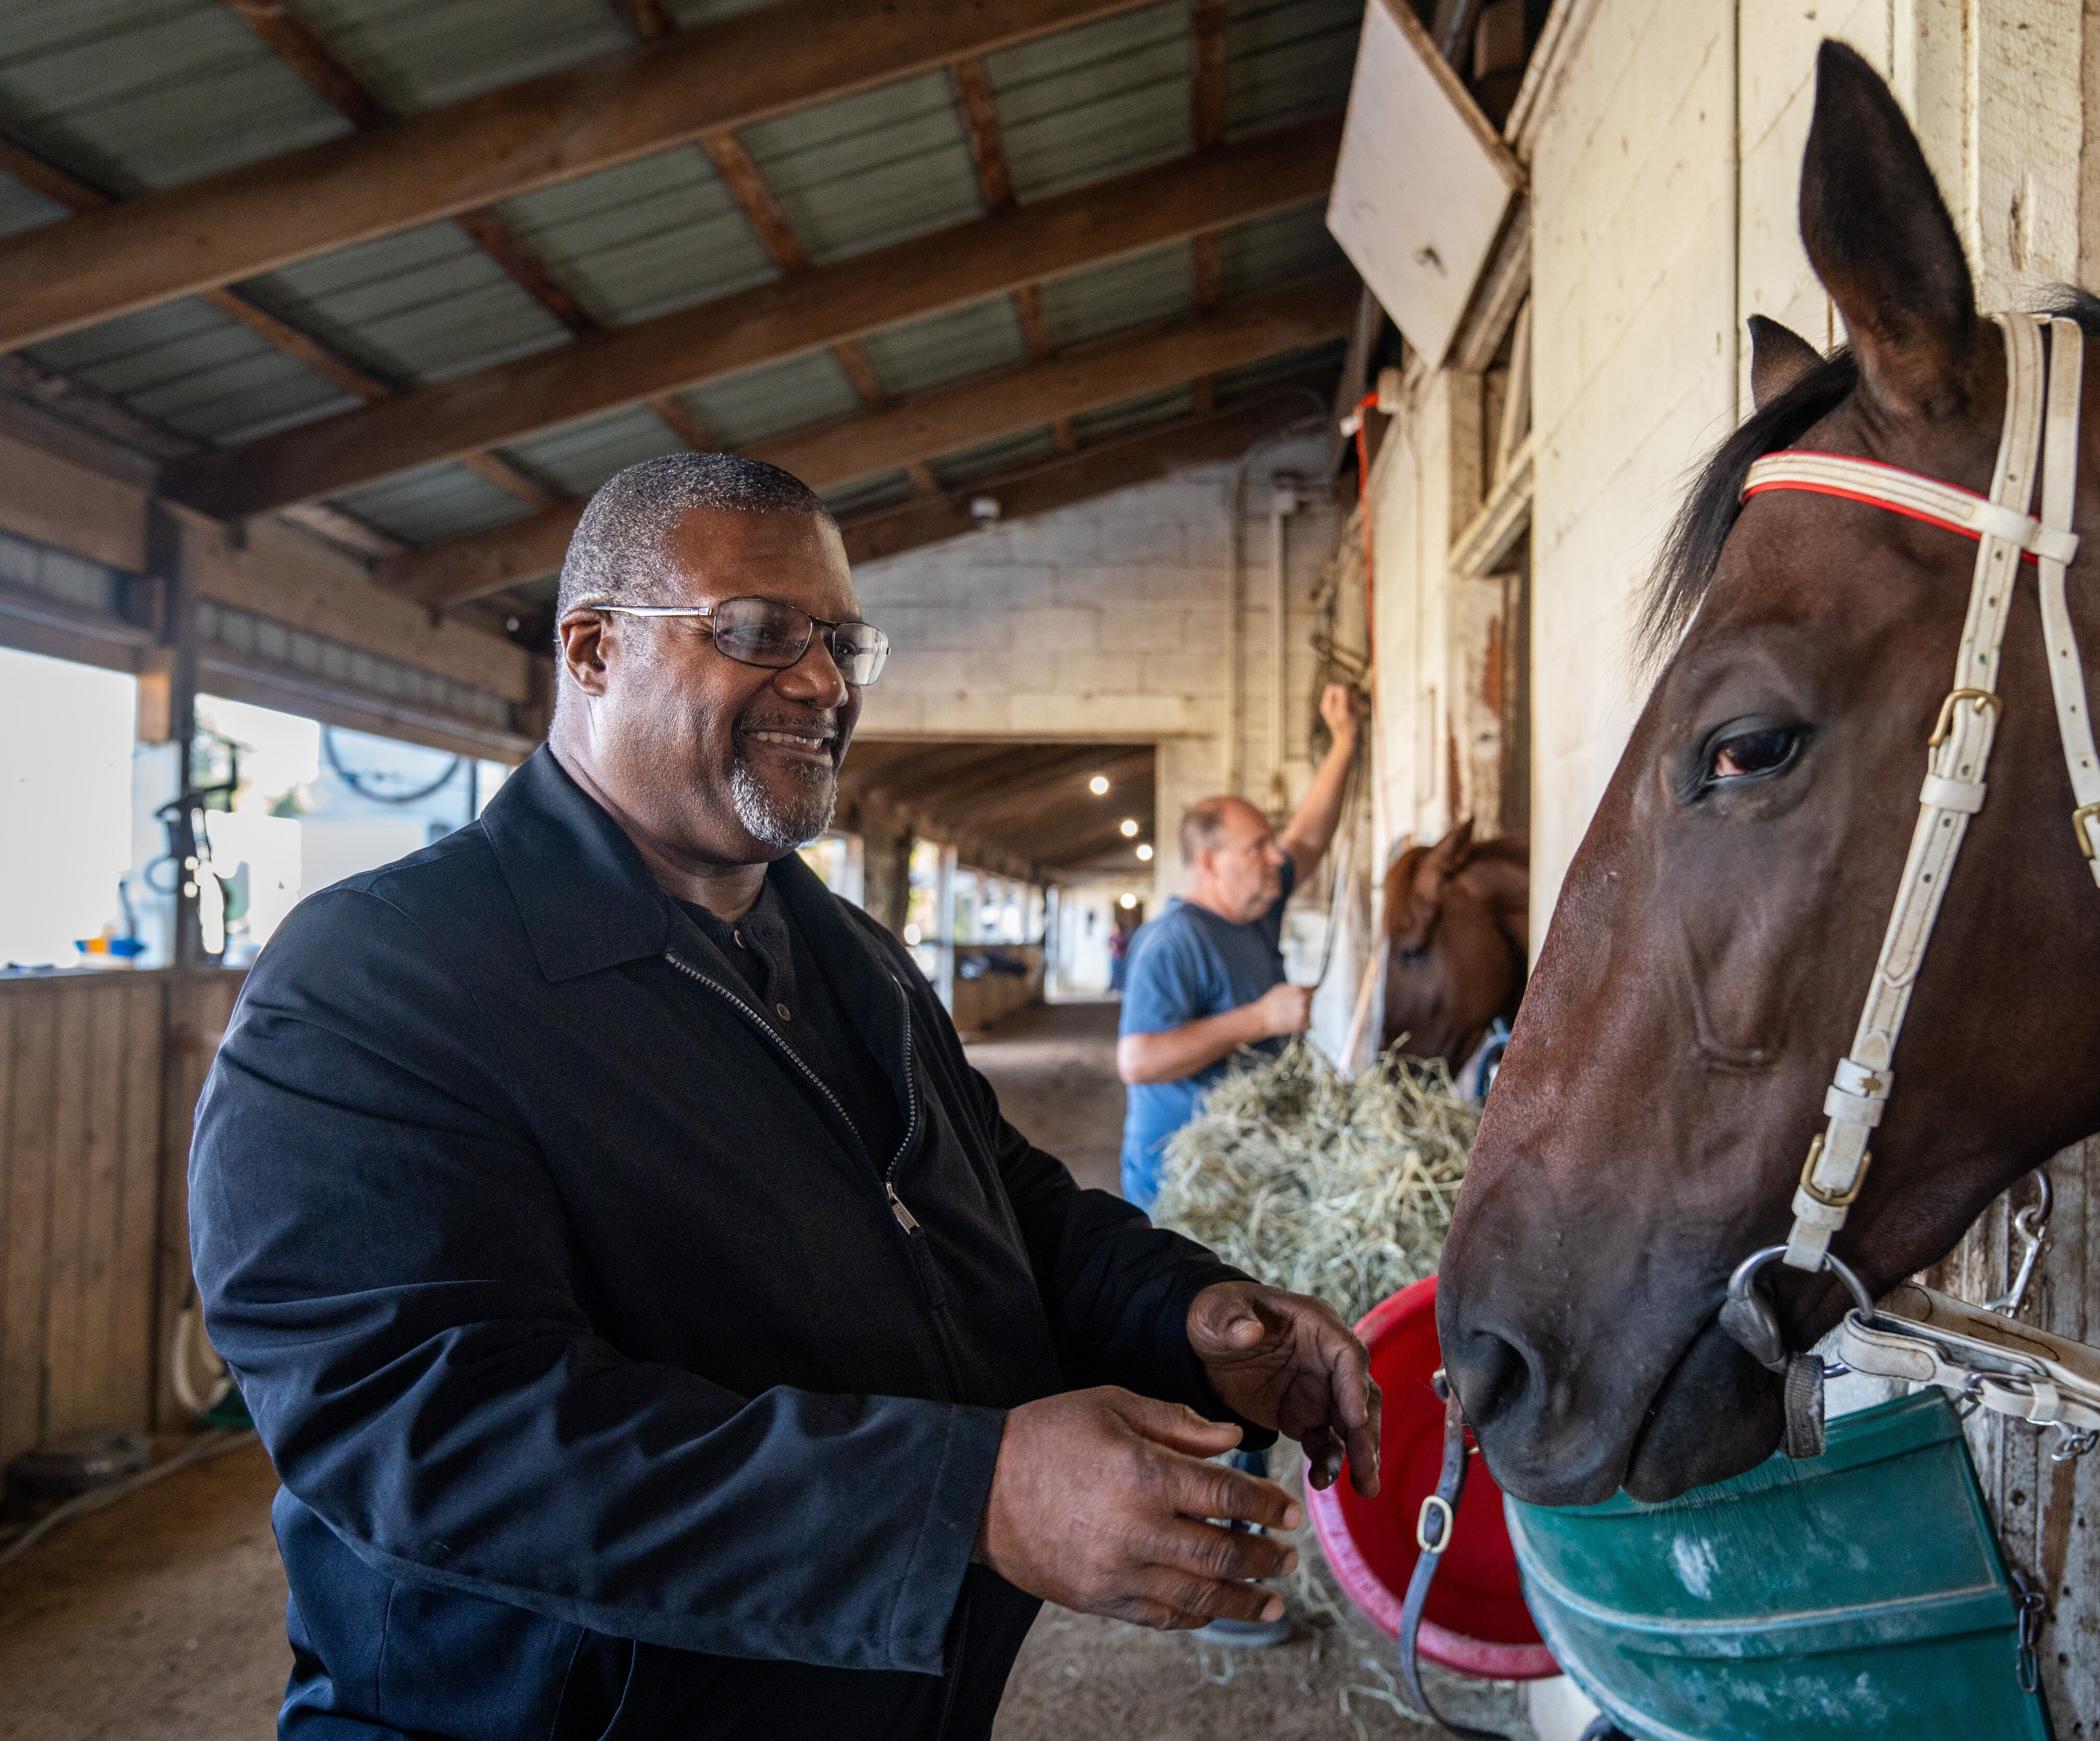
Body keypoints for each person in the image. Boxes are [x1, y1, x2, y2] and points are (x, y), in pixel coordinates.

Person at [189, 454, 1381, 1741]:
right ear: (591, 652)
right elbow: (427, 1427)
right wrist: (962, 1499)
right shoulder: (384, 981)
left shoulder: (849, 955)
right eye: (758, 633)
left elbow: (999, 1203)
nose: (821, 683)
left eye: (840, 642)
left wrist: (1181, 1313)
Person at [1114, 683, 1364, 1210]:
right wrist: (1260, 1019)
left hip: (1245, 1174)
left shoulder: (1255, 911)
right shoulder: (1173, 940)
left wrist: (1345, 740)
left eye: (1270, 846)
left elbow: (1309, 840)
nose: (1274, 858)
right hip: (1186, 1189)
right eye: (1256, 848)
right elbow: (1137, 1062)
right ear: (1208, 863)